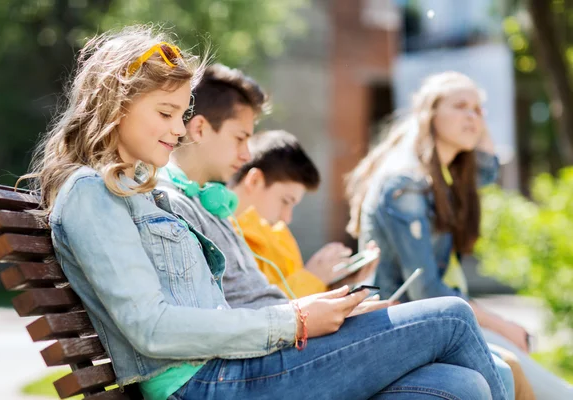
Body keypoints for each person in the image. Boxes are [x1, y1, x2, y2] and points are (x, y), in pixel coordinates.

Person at [155, 62, 511, 399]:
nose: (248, 153)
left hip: (267, 350)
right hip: (239, 370)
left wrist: (331, 306)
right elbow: (213, 322)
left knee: (463, 384)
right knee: (453, 316)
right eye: (240, 138)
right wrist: (306, 315)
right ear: (200, 129)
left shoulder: (211, 204)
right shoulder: (174, 204)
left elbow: (255, 302)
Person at [346, 70, 570, 400]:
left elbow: (488, 165)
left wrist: (473, 119)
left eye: (480, 110)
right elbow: (426, 291)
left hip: (440, 322)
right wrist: (500, 323)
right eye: (460, 106)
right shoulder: (404, 184)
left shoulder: (441, 176)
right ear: (429, 114)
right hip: (403, 326)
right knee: (547, 386)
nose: (474, 117)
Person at [227, 129, 377, 298]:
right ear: (254, 181)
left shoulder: (279, 235)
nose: (287, 218)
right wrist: (313, 277)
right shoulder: (220, 236)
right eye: (285, 201)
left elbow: (303, 307)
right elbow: (261, 313)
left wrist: (334, 283)